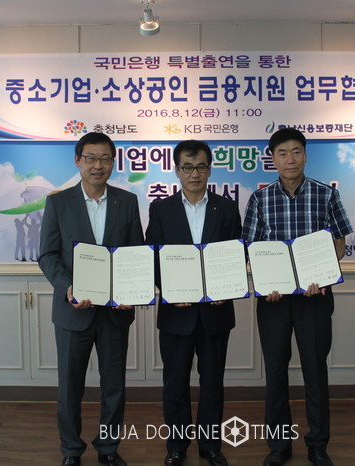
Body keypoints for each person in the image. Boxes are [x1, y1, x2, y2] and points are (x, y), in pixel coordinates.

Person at [242, 128, 353, 466]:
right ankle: (279, 446)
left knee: (315, 371)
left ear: (305, 155)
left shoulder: (326, 194)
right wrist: (267, 280)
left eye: (295, 152)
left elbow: (339, 244)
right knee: (275, 371)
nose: (289, 159)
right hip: (273, 300)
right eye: (282, 153)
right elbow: (251, 249)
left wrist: (322, 274)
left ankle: (318, 444)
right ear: (272, 159)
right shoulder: (260, 199)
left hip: (314, 296)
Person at [39, 132, 144, 466]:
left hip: (115, 312)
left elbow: (135, 255)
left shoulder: (127, 202)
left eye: (105, 159)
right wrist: (67, 286)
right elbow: (47, 255)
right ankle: (71, 450)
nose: (98, 165)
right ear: (77, 161)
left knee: (114, 387)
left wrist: (131, 291)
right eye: (91, 158)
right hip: (73, 312)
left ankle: (108, 448)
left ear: (113, 162)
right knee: (70, 388)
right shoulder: (58, 203)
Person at [145, 140, 242, 466]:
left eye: (200, 166)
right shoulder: (161, 209)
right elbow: (152, 254)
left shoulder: (226, 208)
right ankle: (176, 446)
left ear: (209, 169)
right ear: (177, 170)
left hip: (216, 312)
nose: (194, 173)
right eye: (187, 167)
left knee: (213, 383)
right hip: (176, 313)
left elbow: (237, 254)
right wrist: (169, 289)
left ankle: (211, 446)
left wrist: (227, 288)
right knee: (175, 383)